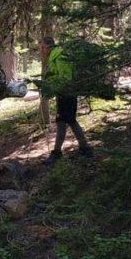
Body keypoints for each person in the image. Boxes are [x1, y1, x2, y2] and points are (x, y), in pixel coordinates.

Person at [39, 36, 93, 165]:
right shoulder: (54, 57)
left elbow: (65, 79)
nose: (42, 51)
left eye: (43, 48)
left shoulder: (60, 57)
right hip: (63, 94)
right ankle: (84, 148)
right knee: (68, 120)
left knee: (64, 120)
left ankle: (58, 153)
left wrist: (52, 89)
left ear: (50, 46)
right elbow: (55, 77)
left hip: (67, 94)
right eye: (40, 48)